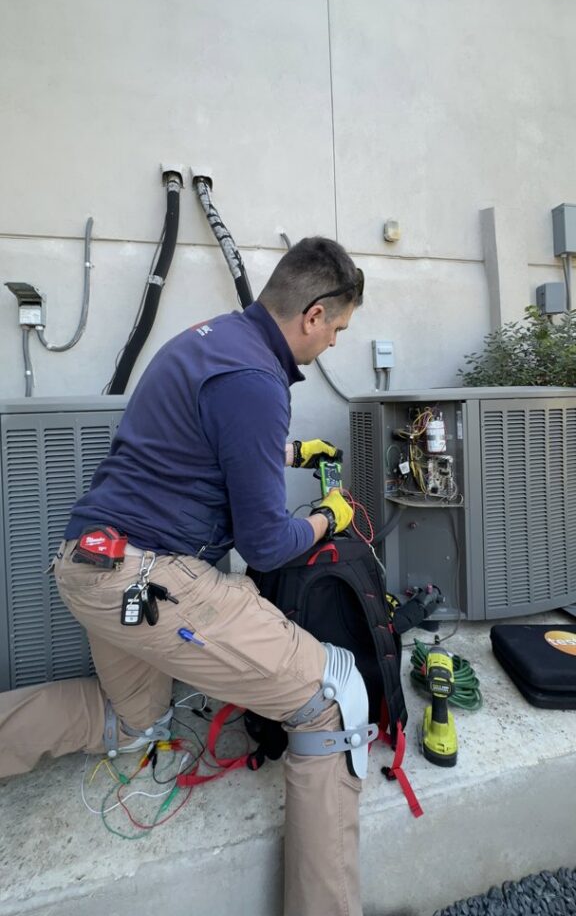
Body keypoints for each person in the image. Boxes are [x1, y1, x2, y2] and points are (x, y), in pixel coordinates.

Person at [0, 237, 368, 916]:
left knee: (131, 720)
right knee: (334, 697)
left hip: (87, 565)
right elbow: (266, 545)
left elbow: (200, 442)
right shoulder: (257, 380)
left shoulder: (209, 340)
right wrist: (328, 516)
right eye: (339, 328)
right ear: (314, 314)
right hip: (150, 580)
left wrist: (288, 451)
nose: (334, 343)